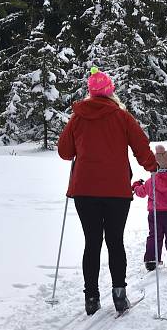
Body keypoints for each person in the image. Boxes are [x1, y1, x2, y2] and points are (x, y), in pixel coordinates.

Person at [58, 67, 157, 316]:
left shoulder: (78, 117)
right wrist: (152, 166)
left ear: (90, 93)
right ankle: (119, 296)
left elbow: (65, 152)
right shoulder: (121, 116)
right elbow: (140, 144)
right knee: (115, 241)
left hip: (84, 190)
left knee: (92, 242)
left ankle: (91, 298)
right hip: (116, 191)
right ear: (110, 91)